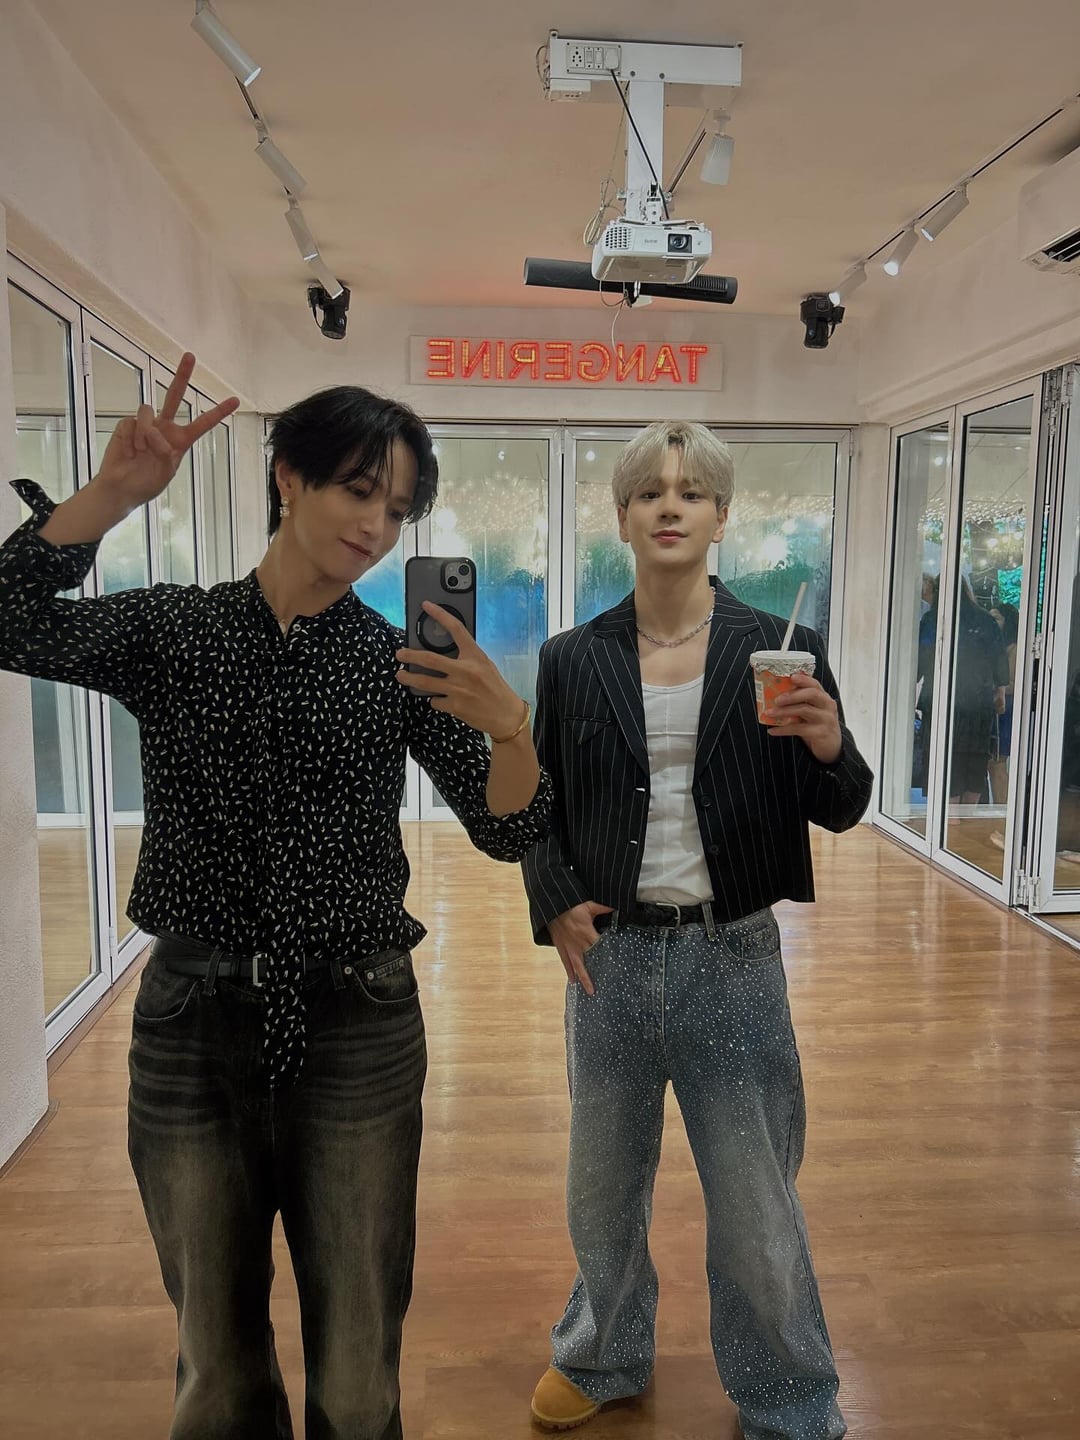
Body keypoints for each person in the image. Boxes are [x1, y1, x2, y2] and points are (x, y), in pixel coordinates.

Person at [0, 356, 551, 1440]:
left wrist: (511, 730)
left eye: (399, 509)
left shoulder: (401, 664)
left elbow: (508, 829)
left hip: (359, 1021)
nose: (377, 527)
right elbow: (8, 620)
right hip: (190, 1023)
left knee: (357, 1371)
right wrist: (110, 495)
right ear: (289, 479)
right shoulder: (176, 632)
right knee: (215, 1369)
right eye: (358, 490)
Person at [521, 420, 873, 1440]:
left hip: (734, 956)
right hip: (613, 961)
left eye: (691, 492)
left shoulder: (782, 648)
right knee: (601, 1190)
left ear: (722, 516)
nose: (669, 507)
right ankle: (602, 1353)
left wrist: (830, 744)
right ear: (622, 516)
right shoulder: (572, 658)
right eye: (650, 492)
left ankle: (789, 1395)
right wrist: (554, 900)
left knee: (758, 1202)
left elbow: (842, 807)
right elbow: (537, 803)